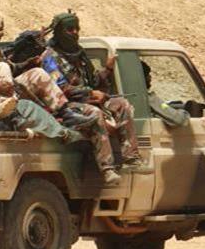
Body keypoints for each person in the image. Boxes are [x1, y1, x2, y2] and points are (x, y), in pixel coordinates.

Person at [41, 12, 143, 185]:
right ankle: (107, 168)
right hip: (65, 105)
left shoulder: (78, 53)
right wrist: (89, 94)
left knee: (122, 104)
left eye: (77, 28)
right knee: (94, 113)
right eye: (70, 29)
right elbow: (60, 88)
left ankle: (131, 157)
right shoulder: (50, 57)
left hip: (87, 99)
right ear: (59, 32)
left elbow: (92, 80)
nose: (75, 32)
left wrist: (107, 70)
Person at [0, 13, 90, 125]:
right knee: (1, 66)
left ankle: (65, 112)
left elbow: (10, 68)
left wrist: (26, 64)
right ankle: (10, 113)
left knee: (37, 73)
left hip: (4, 91)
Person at [142, 60, 190, 127]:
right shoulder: (146, 98)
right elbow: (180, 119)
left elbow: (163, 107)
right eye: (147, 75)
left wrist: (168, 107)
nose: (150, 77)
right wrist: (186, 112)